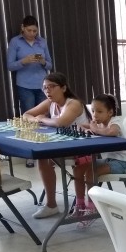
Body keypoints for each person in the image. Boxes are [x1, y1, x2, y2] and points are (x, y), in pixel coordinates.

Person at [23, 72, 90, 218]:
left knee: (45, 158)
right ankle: (51, 205)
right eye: (45, 88)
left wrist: (41, 119)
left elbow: (61, 122)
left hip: (84, 147)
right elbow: (26, 114)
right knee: (43, 159)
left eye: (51, 87)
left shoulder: (73, 103)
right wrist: (36, 119)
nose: (47, 91)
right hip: (62, 144)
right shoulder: (50, 102)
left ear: (64, 88)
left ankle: (76, 204)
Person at [71, 94, 126, 227]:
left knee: (91, 172)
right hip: (109, 160)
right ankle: (80, 204)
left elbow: (112, 132)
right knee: (78, 168)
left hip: (122, 163)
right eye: (93, 111)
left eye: (99, 111)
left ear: (110, 112)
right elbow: (83, 125)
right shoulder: (99, 123)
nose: (95, 115)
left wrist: (95, 129)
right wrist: (85, 128)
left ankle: (92, 207)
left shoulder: (115, 122)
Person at [7, 16, 53, 168]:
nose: (32, 33)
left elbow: (50, 65)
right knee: (28, 117)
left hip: (42, 85)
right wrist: (24, 61)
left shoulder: (42, 41)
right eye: (29, 30)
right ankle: (30, 154)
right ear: (22, 28)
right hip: (25, 85)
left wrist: (42, 62)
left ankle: (46, 152)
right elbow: (10, 66)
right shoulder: (15, 42)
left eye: (35, 30)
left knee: (44, 118)